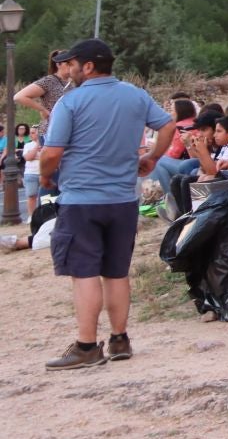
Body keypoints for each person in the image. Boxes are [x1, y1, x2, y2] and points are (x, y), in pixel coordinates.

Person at [36, 38, 177, 369]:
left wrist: (45, 176)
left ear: (87, 67)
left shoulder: (70, 103)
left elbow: (53, 151)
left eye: (71, 64)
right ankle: (119, 339)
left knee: (84, 272)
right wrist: (153, 157)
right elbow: (167, 125)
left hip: (82, 199)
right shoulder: (135, 95)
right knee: (116, 272)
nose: (67, 70)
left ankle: (86, 346)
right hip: (124, 198)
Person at [13, 48, 78, 122]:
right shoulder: (49, 80)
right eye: (67, 64)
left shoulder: (71, 83)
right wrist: (42, 109)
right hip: (50, 127)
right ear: (58, 65)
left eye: (72, 64)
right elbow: (19, 97)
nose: (70, 67)